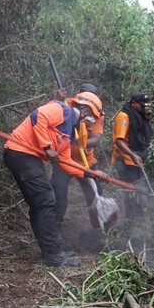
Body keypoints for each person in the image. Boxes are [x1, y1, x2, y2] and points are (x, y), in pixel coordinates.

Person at [3, 91, 108, 267]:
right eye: (90, 117)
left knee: (40, 204)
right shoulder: (62, 109)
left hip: (27, 158)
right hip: (20, 153)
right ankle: (53, 255)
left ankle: (50, 251)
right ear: (84, 110)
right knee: (46, 201)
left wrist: (89, 174)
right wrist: (47, 146)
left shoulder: (67, 131)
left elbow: (66, 162)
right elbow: (38, 115)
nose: (89, 121)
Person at [51, 84, 106, 229]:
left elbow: (95, 139)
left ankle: (99, 231)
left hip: (85, 161)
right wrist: (57, 100)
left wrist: (80, 141)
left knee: (94, 195)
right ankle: (55, 227)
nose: (85, 107)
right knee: (58, 193)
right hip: (63, 160)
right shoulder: (66, 104)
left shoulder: (98, 114)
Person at [111, 92, 154, 217]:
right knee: (132, 192)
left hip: (135, 161)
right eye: (141, 106)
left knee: (138, 190)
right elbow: (119, 141)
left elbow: (138, 135)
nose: (144, 108)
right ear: (134, 103)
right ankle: (132, 221)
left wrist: (146, 121)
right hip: (125, 161)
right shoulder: (124, 117)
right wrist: (133, 155)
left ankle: (138, 218)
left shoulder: (137, 116)